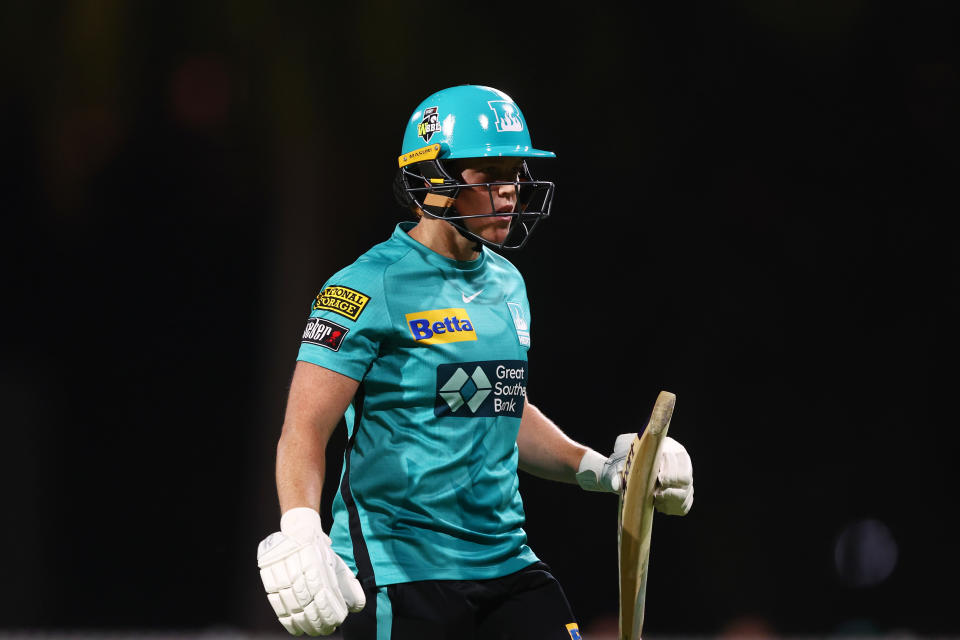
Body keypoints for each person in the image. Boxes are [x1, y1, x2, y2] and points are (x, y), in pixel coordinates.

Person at [256, 84, 694, 639]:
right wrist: (300, 527)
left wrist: (603, 471)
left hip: (507, 564)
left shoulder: (508, 282)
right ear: (432, 179)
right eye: (489, 176)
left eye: (513, 174)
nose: (509, 192)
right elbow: (303, 428)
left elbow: (502, 405)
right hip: (402, 575)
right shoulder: (366, 287)